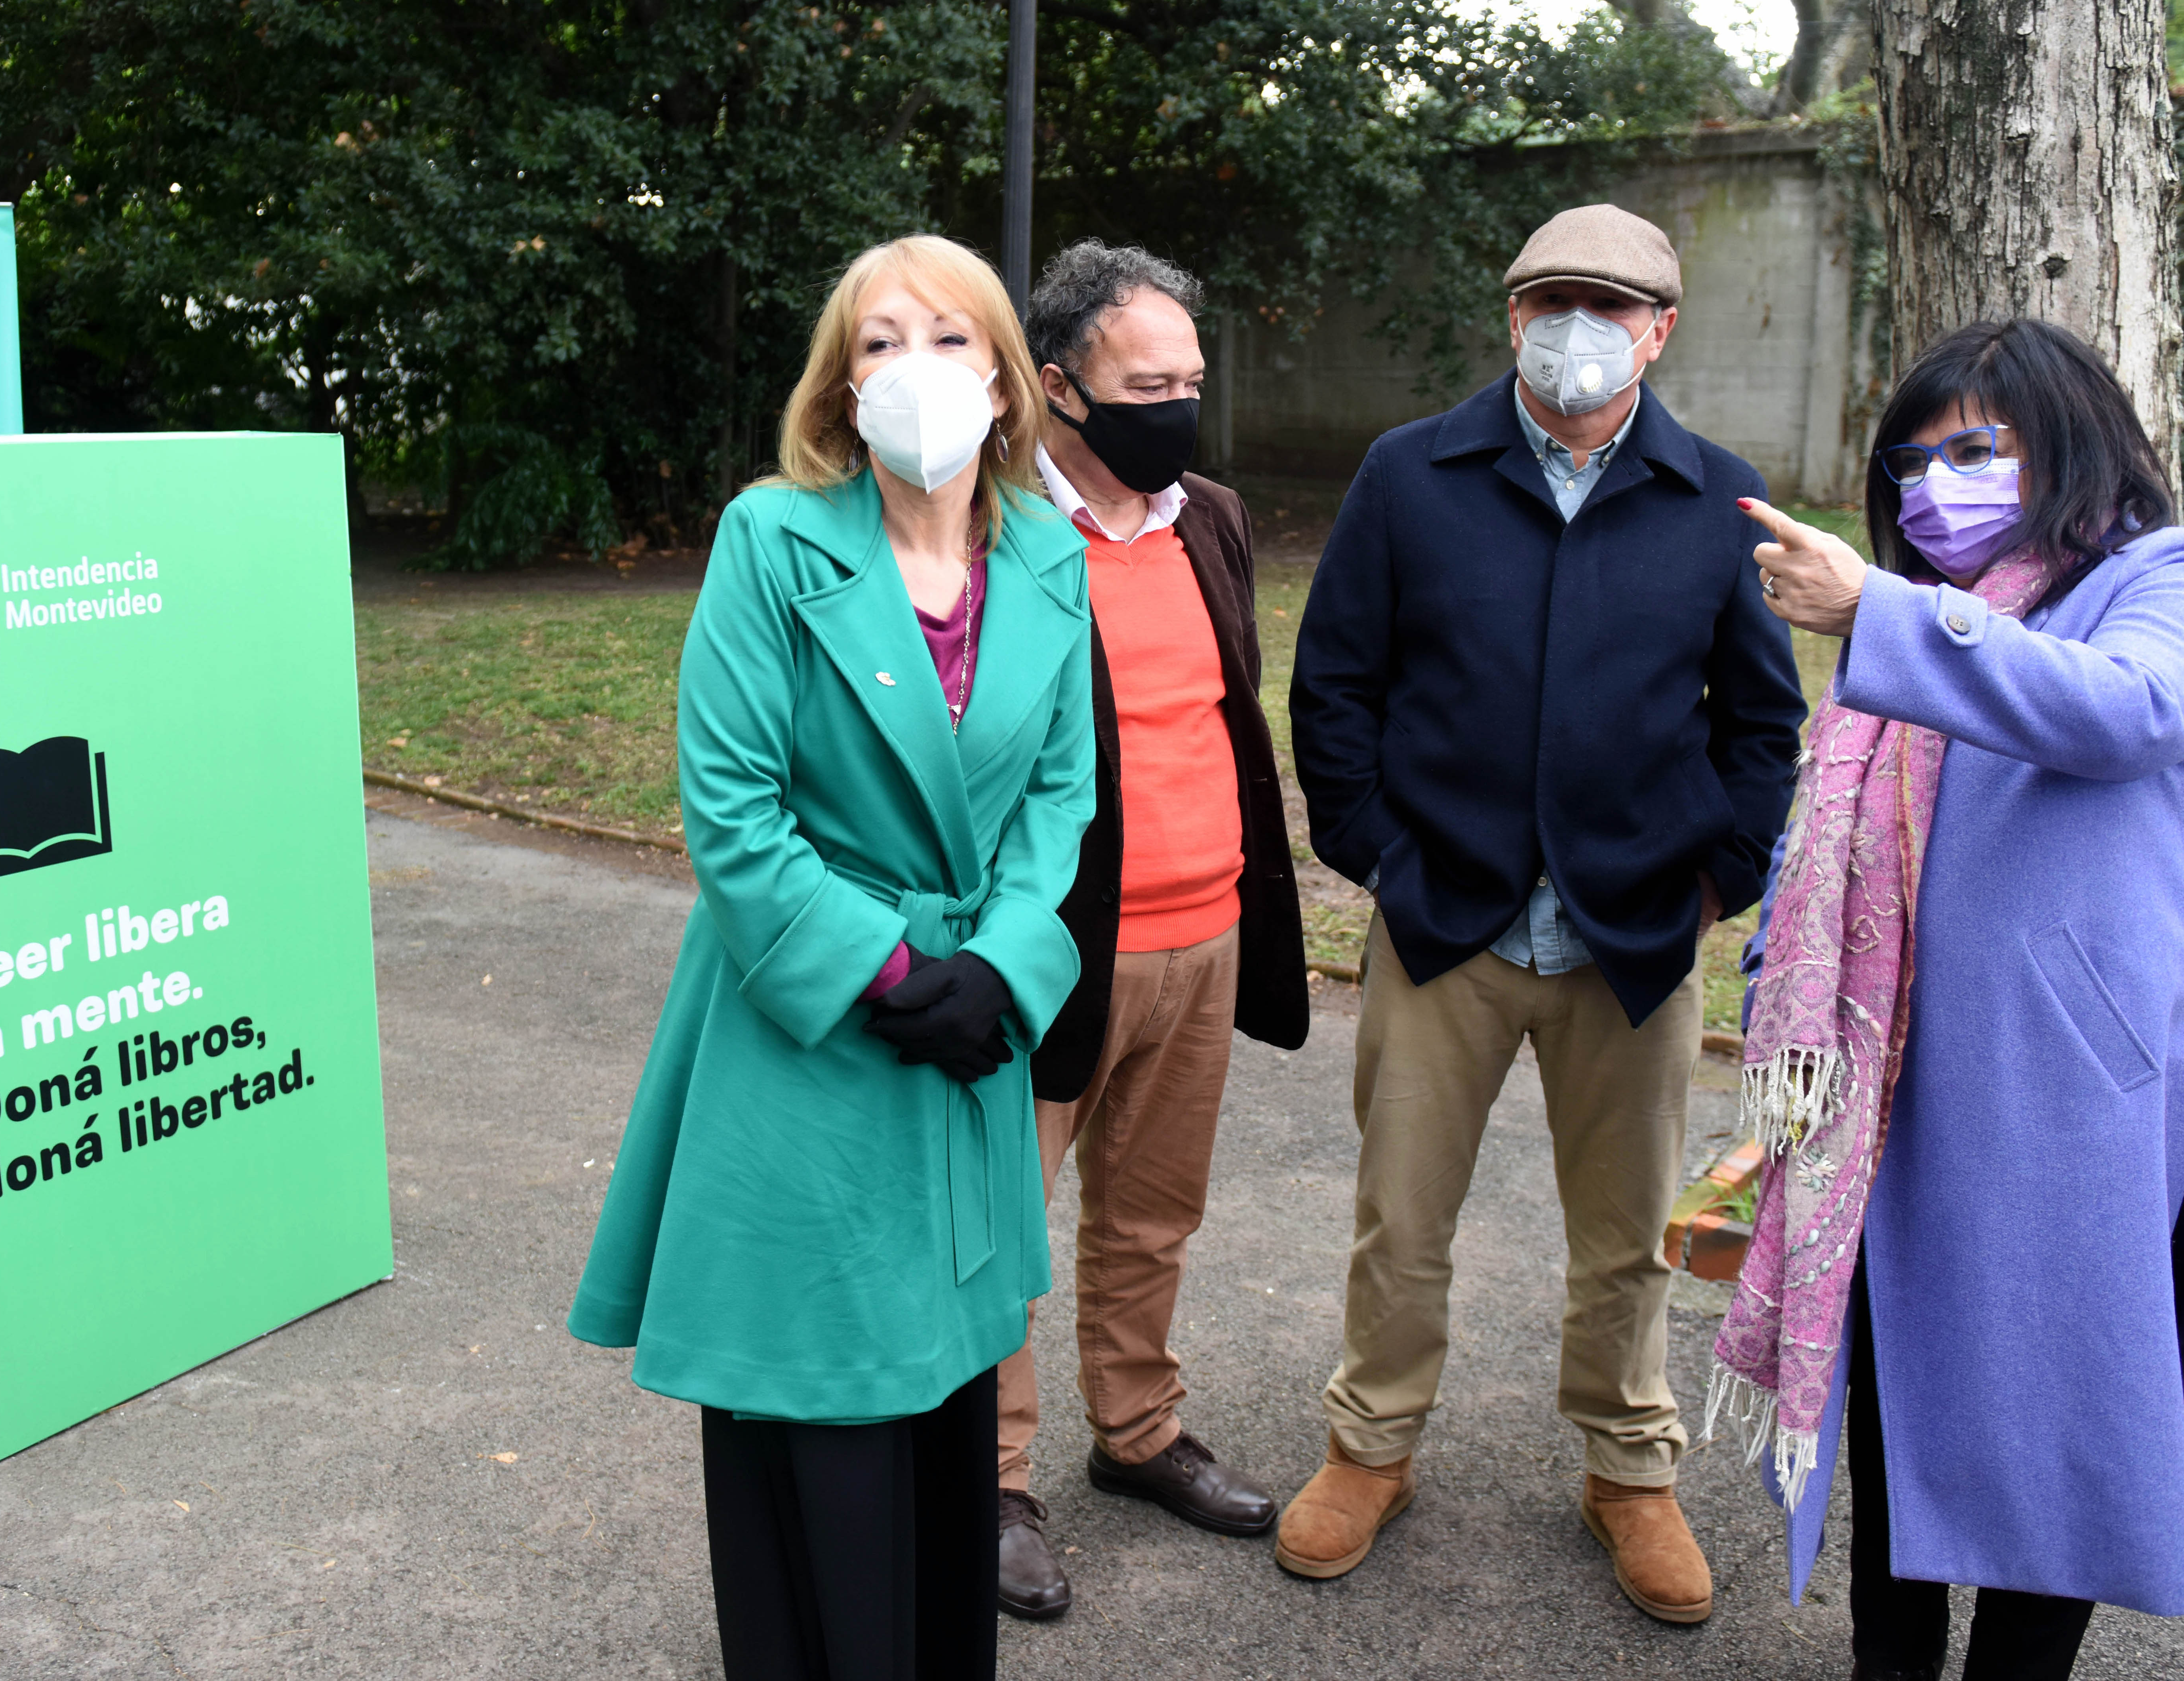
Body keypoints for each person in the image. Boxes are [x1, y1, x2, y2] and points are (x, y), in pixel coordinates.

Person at [565, 233, 1096, 1681]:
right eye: (879, 343)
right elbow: (730, 813)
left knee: (948, 1395)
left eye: (947, 338)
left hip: (971, 1034)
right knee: (819, 1409)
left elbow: (1061, 799)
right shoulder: (771, 537)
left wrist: (1004, 969)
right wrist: (890, 977)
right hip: (807, 1035)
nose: (914, 368)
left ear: (1004, 378)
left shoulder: (1050, 557)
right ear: (841, 387)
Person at [1280, 202, 1806, 1621]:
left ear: (1661, 331)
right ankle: (1371, 1446)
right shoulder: (1410, 474)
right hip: (1444, 922)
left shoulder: (1718, 498)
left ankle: (1629, 1471)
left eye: (1612, 306)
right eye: (1552, 300)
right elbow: (1335, 687)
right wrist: (1381, 855)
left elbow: (1764, 724)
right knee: (1400, 1217)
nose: (1580, 328)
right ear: (1513, 316)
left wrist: (1717, 877)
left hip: (1633, 933)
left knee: (1629, 1233)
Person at [1720, 318, 2184, 1681]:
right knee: (1893, 1402)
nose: (1936, 488)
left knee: (2053, 1415)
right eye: (1912, 464)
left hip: (2059, 1099)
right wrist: (1784, 1020)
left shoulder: (2151, 580)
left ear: (2072, 441)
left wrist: (1887, 610)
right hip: (1885, 1094)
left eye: (1974, 451)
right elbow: (1834, 845)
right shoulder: (1928, 618)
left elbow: (2129, 711)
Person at [988, 241, 1311, 1620]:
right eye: (1147, 387)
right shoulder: (993, 528)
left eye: (1191, 381)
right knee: (1002, 1231)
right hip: (1055, 951)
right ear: (1059, 387)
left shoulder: (1210, 518)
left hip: (1208, 932)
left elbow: (1227, 718)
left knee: (1153, 1213)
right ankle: (992, 1481)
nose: (1178, 408)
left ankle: (1137, 1434)